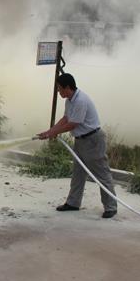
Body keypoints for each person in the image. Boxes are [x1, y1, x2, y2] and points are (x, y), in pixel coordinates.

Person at [37, 73, 117, 219]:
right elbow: (66, 118)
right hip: (80, 140)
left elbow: (73, 124)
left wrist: (53, 133)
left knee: (102, 174)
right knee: (78, 173)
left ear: (68, 87)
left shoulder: (80, 100)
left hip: (93, 140)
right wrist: (50, 131)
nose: (58, 91)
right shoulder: (69, 100)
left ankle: (111, 207)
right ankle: (73, 203)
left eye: (59, 88)